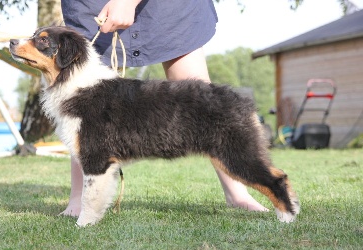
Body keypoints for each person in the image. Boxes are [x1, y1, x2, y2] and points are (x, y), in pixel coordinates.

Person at [60, 0, 268, 217]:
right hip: (92, 7)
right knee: (86, 100)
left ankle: (238, 193)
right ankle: (79, 199)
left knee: (194, 88)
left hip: (168, 7)